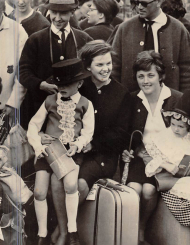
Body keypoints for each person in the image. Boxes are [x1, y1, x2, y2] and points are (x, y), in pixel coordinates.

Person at [50, 41, 131, 244]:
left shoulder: (121, 94)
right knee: (58, 179)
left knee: (78, 184)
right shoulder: (79, 88)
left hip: (102, 154)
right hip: (72, 149)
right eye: (100, 65)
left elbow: (121, 133)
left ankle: (63, 232)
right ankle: (63, 230)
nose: (106, 69)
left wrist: (93, 145)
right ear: (87, 67)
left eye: (108, 63)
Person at [27, 58, 94, 245]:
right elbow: (33, 125)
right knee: (39, 191)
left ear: (79, 83)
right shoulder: (50, 101)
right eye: (59, 84)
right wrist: (38, 142)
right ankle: (42, 234)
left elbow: (88, 132)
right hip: (48, 151)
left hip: (70, 153)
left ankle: (72, 230)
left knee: (71, 186)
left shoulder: (85, 104)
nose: (62, 88)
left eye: (67, 84)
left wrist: (78, 144)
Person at [122, 50, 182, 244]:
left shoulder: (175, 99)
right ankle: (129, 231)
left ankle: (141, 227)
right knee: (133, 189)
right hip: (141, 157)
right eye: (141, 76)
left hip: (167, 160)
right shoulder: (132, 100)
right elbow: (127, 134)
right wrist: (130, 151)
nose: (145, 81)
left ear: (161, 76)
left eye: (150, 75)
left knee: (148, 190)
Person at [19, 0, 93, 129]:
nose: (57, 18)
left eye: (63, 13)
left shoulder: (83, 38)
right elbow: (23, 72)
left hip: (74, 112)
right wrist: (40, 84)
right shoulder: (36, 39)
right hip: (39, 108)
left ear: (72, 12)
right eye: (54, 12)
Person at [111, 0, 190, 92]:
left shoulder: (178, 30)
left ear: (159, 1)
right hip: (131, 103)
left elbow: (187, 72)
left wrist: (185, 105)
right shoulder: (124, 29)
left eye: (145, 3)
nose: (139, 7)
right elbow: (114, 68)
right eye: (137, 2)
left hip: (168, 104)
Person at [141, 90, 190, 245]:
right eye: (173, 124)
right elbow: (149, 157)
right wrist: (165, 164)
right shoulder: (163, 137)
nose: (176, 129)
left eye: (180, 126)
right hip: (171, 184)